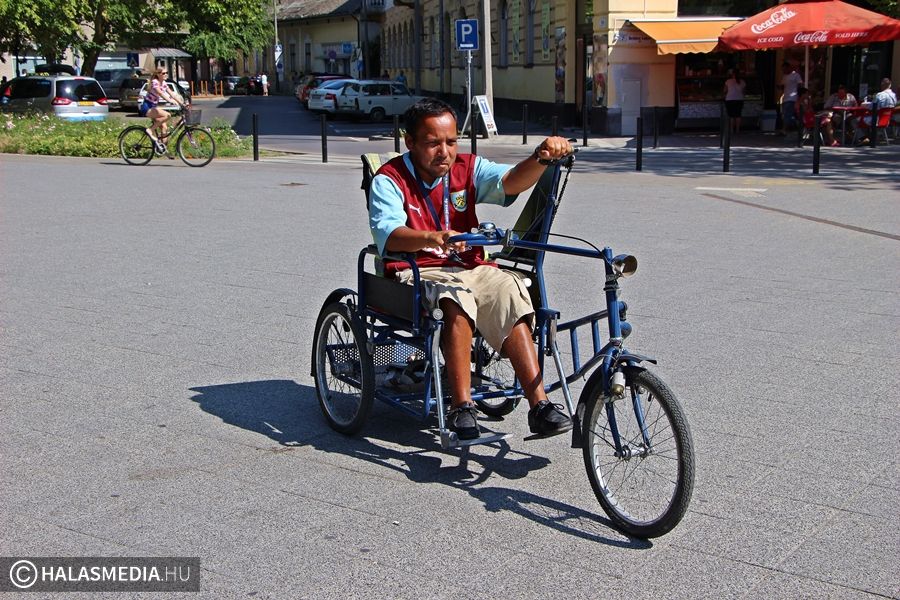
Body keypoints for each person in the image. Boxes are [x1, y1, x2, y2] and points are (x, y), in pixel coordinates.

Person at [368, 98, 574, 441]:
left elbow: (509, 182)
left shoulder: (467, 167)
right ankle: (461, 406)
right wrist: (433, 237)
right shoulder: (389, 179)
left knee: (511, 292)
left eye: (451, 142)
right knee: (456, 301)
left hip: (471, 265)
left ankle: (539, 406)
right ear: (411, 142)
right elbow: (389, 234)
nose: (445, 152)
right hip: (418, 269)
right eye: (433, 143)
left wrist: (540, 158)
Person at [140, 66, 187, 153]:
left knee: (164, 127)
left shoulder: (164, 83)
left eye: (166, 73)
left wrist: (182, 104)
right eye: (163, 73)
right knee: (167, 115)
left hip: (153, 107)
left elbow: (172, 94)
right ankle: (150, 130)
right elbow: (160, 93)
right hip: (147, 107)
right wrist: (170, 101)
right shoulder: (155, 82)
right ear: (158, 74)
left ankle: (162, 149)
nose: (165, 75)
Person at [779, 62, 803, 135]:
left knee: (787, 114)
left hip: (793, 98)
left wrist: (799, 97)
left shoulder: (795, 75)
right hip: (785, 97)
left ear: (789, 68)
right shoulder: (784, 76)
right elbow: (782, 86)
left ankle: (784, 129)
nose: (784, 71)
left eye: (785, 69)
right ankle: (793, 127)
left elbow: (800, 85)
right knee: (786, 114)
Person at [723, 69, 746, 134]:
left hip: (730, 99)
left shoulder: (728, 81)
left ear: (732, 74)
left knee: (731, 116)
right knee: (738, 115)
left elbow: (724, 91)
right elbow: (744, 92)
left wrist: (724, 95)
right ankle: (737, 130)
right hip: (739, 100)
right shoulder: (743, 82)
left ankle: (731, 130)